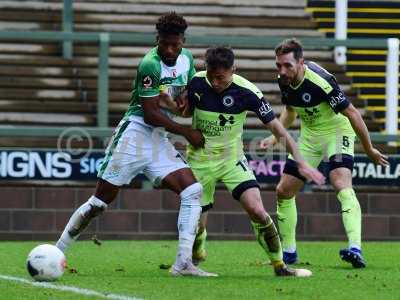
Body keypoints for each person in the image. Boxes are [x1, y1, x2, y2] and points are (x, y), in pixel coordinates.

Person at [55, 12, 217, 277]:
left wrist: (187, 102)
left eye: (174, 44)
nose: (169, 49)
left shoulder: (187, 59)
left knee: (192, 191)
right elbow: (151, 112)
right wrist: (186, 132)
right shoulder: (149, 64)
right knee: (100, 202)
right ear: (157, 39)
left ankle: (183, 263)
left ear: (182, 41)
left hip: (157, 138)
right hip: (134, 134)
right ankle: (58, 251)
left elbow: (181, 96)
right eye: (164, 43)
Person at [173, 46, 325, 277]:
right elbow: (185, 112)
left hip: (232, 160)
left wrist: (302, 161)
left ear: (234, 69)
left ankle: (280, 266)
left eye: (221, 78)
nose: (215, 82)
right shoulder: (196, 82)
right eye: (211, 76)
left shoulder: (248, 92)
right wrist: (175, 105)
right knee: (197, 225)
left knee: (257, 210)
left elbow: (277, 128)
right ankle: (197, 249)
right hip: (199, 161)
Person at [260, 38, 389, 268]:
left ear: (301, 62)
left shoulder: (321, 81)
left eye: (288, 65)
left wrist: (368, 148)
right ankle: (289, 253)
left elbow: (352, 113)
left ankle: (355, 248)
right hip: (310, 136)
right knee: (283, 190)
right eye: (278, 65)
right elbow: (290, 111)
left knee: (340, 181)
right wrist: (274, 136)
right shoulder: (284, 80)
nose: (282, 70)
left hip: (337, 131)